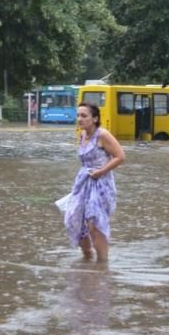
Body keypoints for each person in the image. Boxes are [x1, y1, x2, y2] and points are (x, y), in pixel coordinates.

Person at [64, 102, 125, 261]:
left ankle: (103, 264)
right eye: (78, 115)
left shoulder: (102, 135)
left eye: (84, 116)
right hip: (83, 181)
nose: (79, 119)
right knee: (74, 217)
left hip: (101, 183)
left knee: (94, 223)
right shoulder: (82, 135)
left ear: (95, 118)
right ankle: (87, 257)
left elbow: (120, 157)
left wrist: (101, 171)